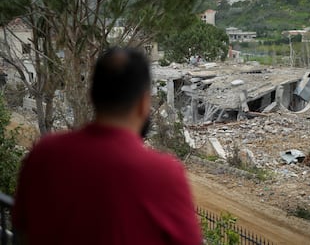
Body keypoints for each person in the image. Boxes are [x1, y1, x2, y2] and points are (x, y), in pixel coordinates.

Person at [12, 48, 202, 245]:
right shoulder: (165, 173)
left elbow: (22, 230)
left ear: (92, 96)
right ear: (144, 103)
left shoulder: (44, 153)